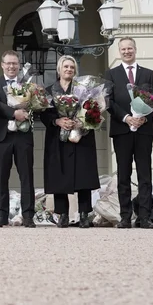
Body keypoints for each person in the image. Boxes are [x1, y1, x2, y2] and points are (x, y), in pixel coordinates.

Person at [103, 37, 153, 229]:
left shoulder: (148, 74)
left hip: (144, 129)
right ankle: (125, 216)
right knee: (123, 174)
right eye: (123, 49)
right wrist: (127, 118)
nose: (127, 52)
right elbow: (109, 102)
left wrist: (144, 118)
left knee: (145, 174)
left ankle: (144, 217)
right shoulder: (111, 74)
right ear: (119, 51)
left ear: (135, 49)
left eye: (130, 48)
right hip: (122, 130)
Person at [41, 55, 100, 228]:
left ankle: (83, 215)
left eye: (71, 67)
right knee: (60, 176)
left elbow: (93, 109)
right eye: (65, 67)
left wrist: (81, 121)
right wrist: (57, 121)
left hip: (81, 137)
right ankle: (63, 215)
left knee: (83, 176)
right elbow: (44, 113)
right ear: (59, 69)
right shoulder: (50, 90)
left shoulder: (84, 89)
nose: (68, 69)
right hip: (57, 139)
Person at [0, 50, 35, 228]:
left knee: (27, 176)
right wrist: (14, 113)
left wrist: (29, 109)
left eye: (14, 63)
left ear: (19, 65)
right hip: (2, 136)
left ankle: (28, 215)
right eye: (8, 63)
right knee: (1, 176)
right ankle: (1, 215)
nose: (11, 66)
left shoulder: (28, 84)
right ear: (2, 65)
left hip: (23, 135)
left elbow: (36, 104)